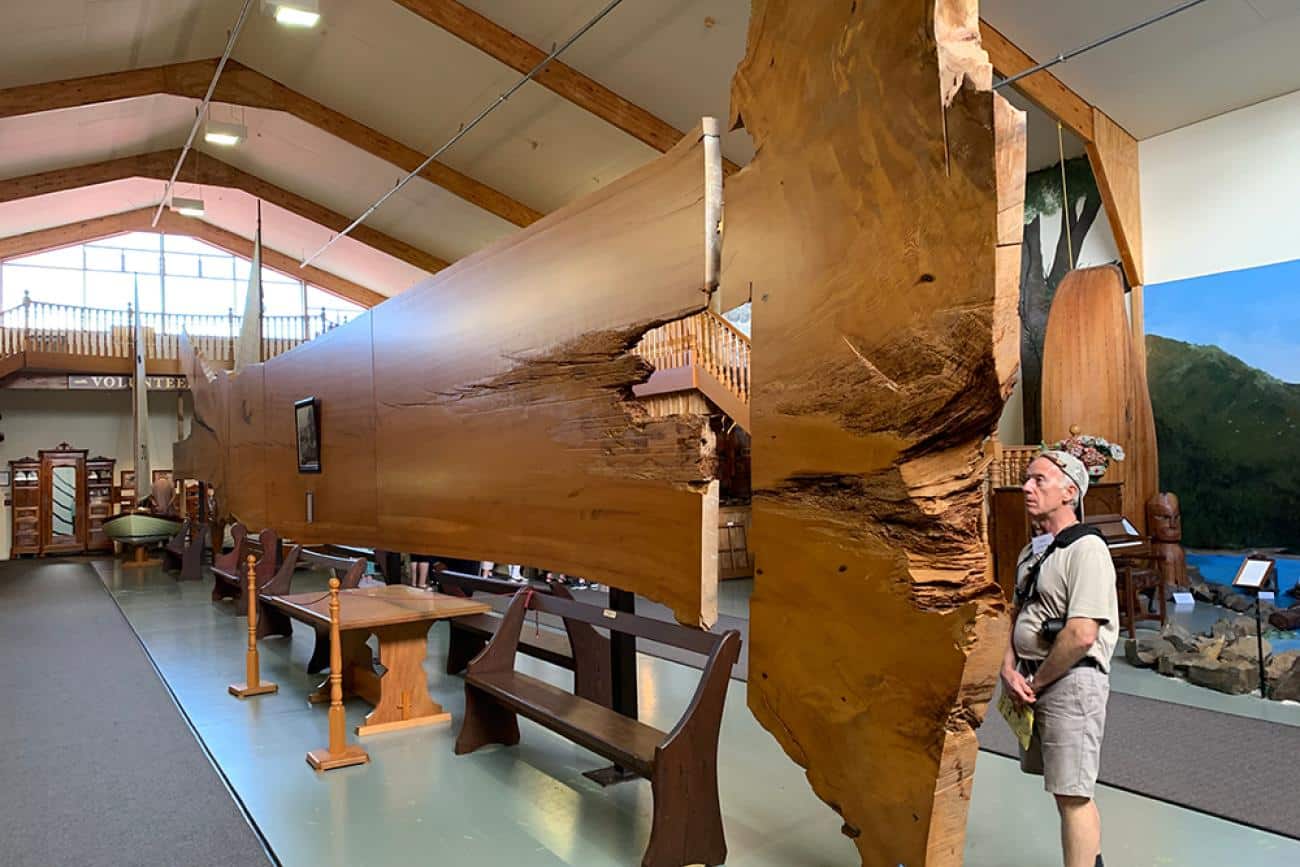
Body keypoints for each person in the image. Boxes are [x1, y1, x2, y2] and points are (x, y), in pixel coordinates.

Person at [1002, 450, 1118, 867]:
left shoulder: (1086, 550)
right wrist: (1008, 669)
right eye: (1026, 480)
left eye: (1038, 480)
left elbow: (1082, 633)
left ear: (1070, 491)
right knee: (1064, 787)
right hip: (1032, 679)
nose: (1026, 487)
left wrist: (1036, 683)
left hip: (1069, 681)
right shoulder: (1031, 552)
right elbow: (1016, 615)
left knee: (1074, 794)